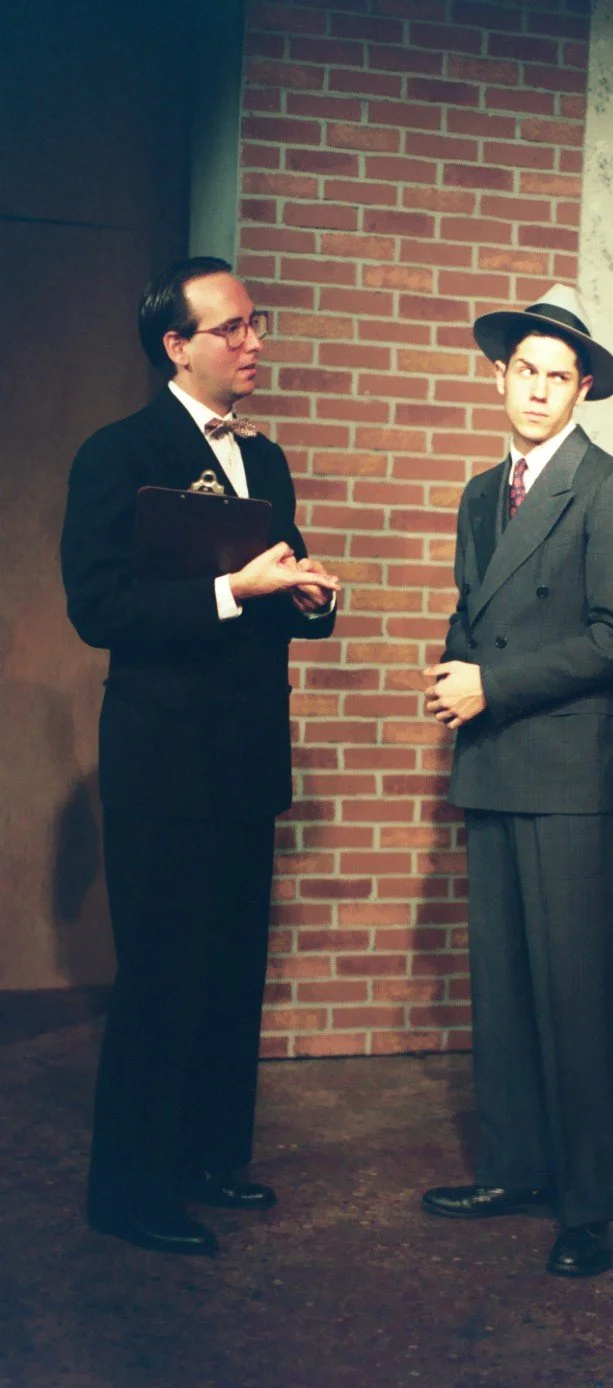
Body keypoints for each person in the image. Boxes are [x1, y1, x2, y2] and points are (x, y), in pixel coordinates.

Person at [61, 256, 338, 1256]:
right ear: (176, 345)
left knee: (229, 974)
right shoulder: (117, 454)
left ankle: (211, 1158)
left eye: (255, 323)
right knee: (162, 980)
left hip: (244, 761)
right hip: (163, 766)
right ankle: (128, 1193)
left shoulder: (263, 462)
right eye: (232, 328)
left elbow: (283, 576)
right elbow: (98, 607)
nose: (254, 342)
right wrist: (235, 595)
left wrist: (312, 596)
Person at [421, 285, 613, 1277]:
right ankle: (514, 1166)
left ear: (583, 389)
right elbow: (476, 609)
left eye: (560, 378)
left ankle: (590, 1201)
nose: (539, 391)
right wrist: (451, 671)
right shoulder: (483, 490)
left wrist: (491, 683)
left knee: (574, 989)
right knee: (503, 985)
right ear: (501, 376)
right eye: (526, 372)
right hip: (492, 759)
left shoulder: (609, 489)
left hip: (563, 766)